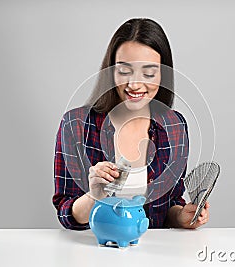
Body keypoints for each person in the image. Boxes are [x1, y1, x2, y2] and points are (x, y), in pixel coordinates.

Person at [52, 18, 210, 230]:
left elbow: (169, 205)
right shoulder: (76, 125)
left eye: (149, 73)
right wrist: (93, 196)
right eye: (124, 71)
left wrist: (181, 216)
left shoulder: (175, 127)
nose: (135, 84)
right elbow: (66, 213)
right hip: (96, 251)